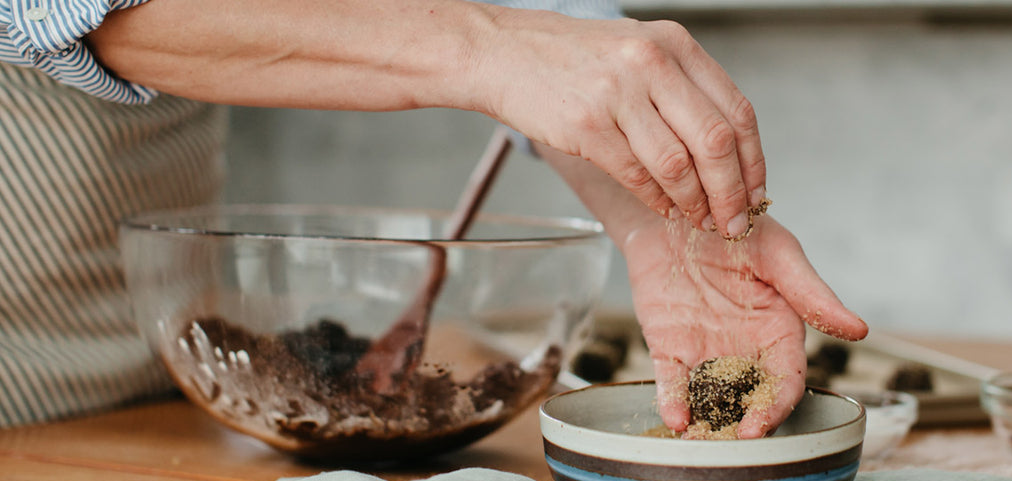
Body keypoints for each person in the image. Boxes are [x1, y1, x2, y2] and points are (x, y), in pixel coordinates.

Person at [0, 0, 867, 437]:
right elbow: (66, 13)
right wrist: (489, 51)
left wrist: (655, 220)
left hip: (159, 377)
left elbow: (537, 12)